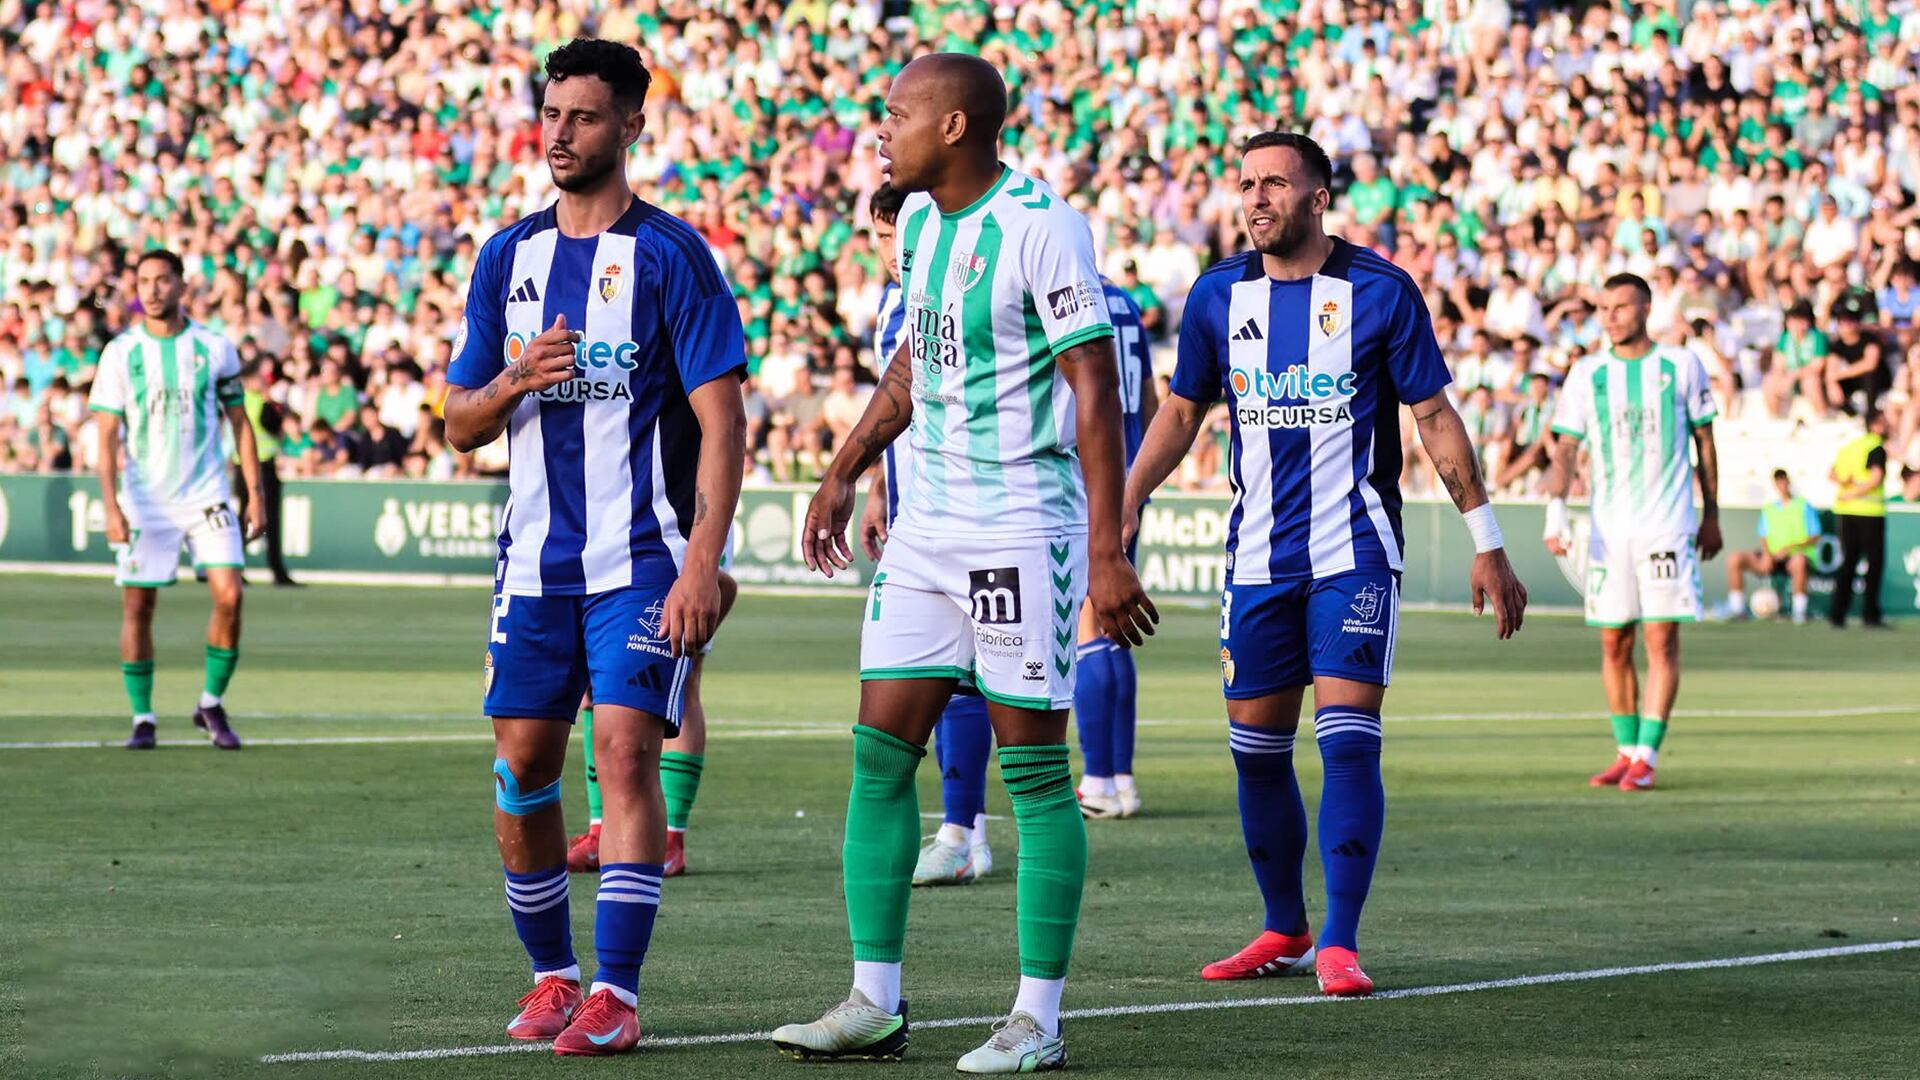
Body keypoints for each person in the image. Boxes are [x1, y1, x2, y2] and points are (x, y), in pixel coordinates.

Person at [773, 53, 1155, 1073]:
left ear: (953, 127)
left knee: (1033, 774)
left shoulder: (1041, 226)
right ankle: (875, 1002)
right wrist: (845, 467)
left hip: (1020, 531)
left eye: (894, 113)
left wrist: (1109, 550)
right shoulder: (926, 225)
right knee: (876, 757)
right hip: (925, 532)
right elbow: (916, 365)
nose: (879, 128)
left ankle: (1038, 1019)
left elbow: (1095, 389)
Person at [1120, 131, 1528, 998]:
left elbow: (1435, 417)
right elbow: (1182, 410)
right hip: (1257, 556)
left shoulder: (1380, 290)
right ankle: (1284, 926)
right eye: (1246, 185)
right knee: (1256, 753)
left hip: (1356, 553)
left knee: (1346, 743)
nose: (1256, 198)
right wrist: (1124, 503)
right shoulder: (1215, 296)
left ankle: (1340, 940)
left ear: (1318, 197)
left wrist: (1488, 538)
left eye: (1275, 183)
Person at [440, 39, 747, 1058]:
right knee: (522, 768)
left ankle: (614, 992)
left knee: (622, 753)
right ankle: (552, 977)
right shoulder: (506, 256)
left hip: (641, 560)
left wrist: (705, 558)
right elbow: (458, 424)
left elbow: (723, 419)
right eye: (551, 113)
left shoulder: (671, 254)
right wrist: (515, 380)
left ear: (629, 126)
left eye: (582, 115)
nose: (559, 132)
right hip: (532, 566)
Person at [855, 183, 998, 889]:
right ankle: (956, 827)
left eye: (895, 236)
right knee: (918, 686)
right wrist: (878, 486)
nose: (889, 253)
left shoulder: (963, 287)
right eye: (880, 239)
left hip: (977, 516)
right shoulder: (891, 306)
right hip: (914, 514)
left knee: (969, 679)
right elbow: (902, 407)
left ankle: (963, 830)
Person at [1544, 273, 1722, 793]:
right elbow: (1565, 450)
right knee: (1613, 642)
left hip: (1666, 524)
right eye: (1603, 308)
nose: (1610, 316)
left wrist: (1711, 513)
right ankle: (1624, 751)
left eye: (1620, 307)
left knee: (1661, 638)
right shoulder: (1586, 373)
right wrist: (1554, 515)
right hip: (1608, 531)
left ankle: (1647, 754)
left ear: (1645, 308)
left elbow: (1705, 443)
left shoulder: (1681, 364)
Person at [88, 248, 267, 751]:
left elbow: (239, 422)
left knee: (231, 596)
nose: (152, 289)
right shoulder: (121, 354)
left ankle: (210, 703)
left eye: (162, 280)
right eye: (143, 281)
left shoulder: (214, 347)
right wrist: (110, 507)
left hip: (207, 491)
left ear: (182, 287)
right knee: (139, 604)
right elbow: (104, 438)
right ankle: (142, 717)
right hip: (146, 499)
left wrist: (255, 493)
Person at [567, 538, 741, 877]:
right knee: (597, 674)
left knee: (682, 668)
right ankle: (600, 830)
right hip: (602, 516)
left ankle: (669, 839)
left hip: (677, 513)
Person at [1074, 276, 1158, 819]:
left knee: (1085, 619)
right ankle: (1122, 778)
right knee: (1115, 627)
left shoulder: (1067, 297)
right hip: (1131, 474)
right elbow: (1150, 399)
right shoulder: (1126, 302)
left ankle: (1098, 779)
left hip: (1090, 473)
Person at [1721, 470, 1822, 624]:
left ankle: (1799, 612)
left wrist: (1790, 548)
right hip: (1772, 557)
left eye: (1784, 480)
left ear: (1788, 482)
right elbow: (1764, 536)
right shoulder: (1768, 509)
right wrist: (1767, 555)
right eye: (1778, 481)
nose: (1781, 484)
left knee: (1799, 561)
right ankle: (1737, 609)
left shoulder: (1803, 506)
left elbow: (1815, 536)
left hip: (1795, 556)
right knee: (1735, 558)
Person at [1827, 408, 1890, 629]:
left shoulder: (1849, 448)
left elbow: (1832, 474)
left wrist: (1848, 489)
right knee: (1874, 564)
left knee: (1849, 562)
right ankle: (1870, 614)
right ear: (1875, 425)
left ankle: (1837, 613)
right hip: (1869, 513)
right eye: (1884, 421)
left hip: (1845, 510)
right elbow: (1875, 478)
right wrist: (1856, 492)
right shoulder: (1876, 447)